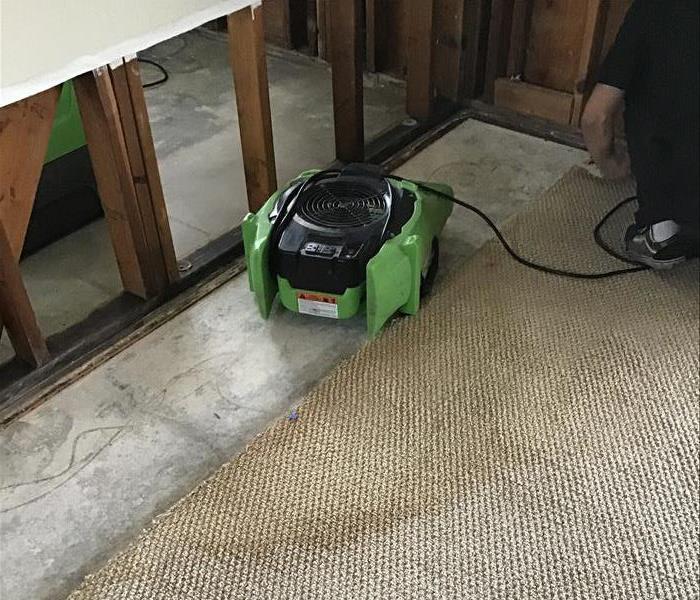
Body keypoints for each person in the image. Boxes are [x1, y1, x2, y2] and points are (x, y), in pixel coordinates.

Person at [581, 0, 699, 269]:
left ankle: (661, 232)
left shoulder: (653, 9)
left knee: (650, 87)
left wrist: (610, 165)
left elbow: (595, 117)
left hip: (679, 194)